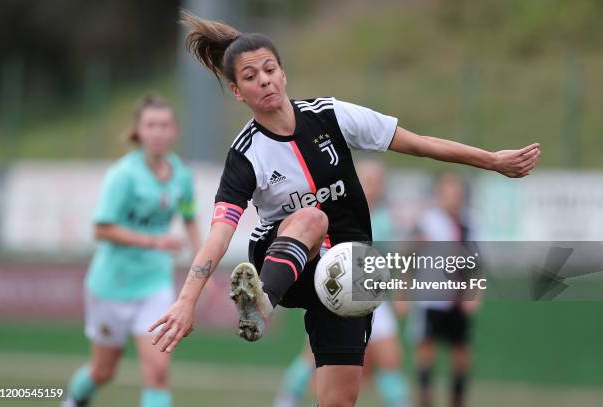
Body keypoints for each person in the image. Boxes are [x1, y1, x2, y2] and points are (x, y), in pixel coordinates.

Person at [150, 12, 540, 407]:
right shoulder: (245, 154)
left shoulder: (330, 115)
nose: (264, 80)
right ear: (237, 92)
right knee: (312, 217)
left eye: (270, 69)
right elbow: (219, 233)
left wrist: (492, 160)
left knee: (339, 401)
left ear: (283, 74)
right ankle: (260, 303)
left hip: (351, 273)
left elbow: (418, 142)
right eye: (250, 77)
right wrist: (186, 300)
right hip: (284, 260)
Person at [63, 95, 201, 407]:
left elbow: (191, 220)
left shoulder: (182, 176)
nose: (158, 132)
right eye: (151, 125)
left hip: (155, 286)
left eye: (164, 125)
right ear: (139, 131)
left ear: (174, 131)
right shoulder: (123, 175)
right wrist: (155, 241)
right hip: (112, 286)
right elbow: (101, 228)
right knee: (103, 371)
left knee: (158, 372)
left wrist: (201, 270)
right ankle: (72, 400)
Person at [273, 160, 410, 407]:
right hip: (341, 297)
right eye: (368, 182)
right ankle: (285, 401)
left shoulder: (387, 220)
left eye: (378, 183)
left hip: (374, 298)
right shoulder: (342, 213)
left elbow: (397, 259)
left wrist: (401, 291)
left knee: (390, 360)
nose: (373, 188)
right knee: (311, 358)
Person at [410, 172, 477, 407]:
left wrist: (474, 293)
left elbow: (477, 263)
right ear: (439, 195)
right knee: (426, 349)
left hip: (458, 298)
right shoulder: (428, 221)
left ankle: (457, 400)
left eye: (457, 192)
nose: (453, 197)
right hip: (432, 298)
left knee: (461, 354)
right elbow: (410, 256)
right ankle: (424, 400)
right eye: (447, 192)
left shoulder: (470, 222)